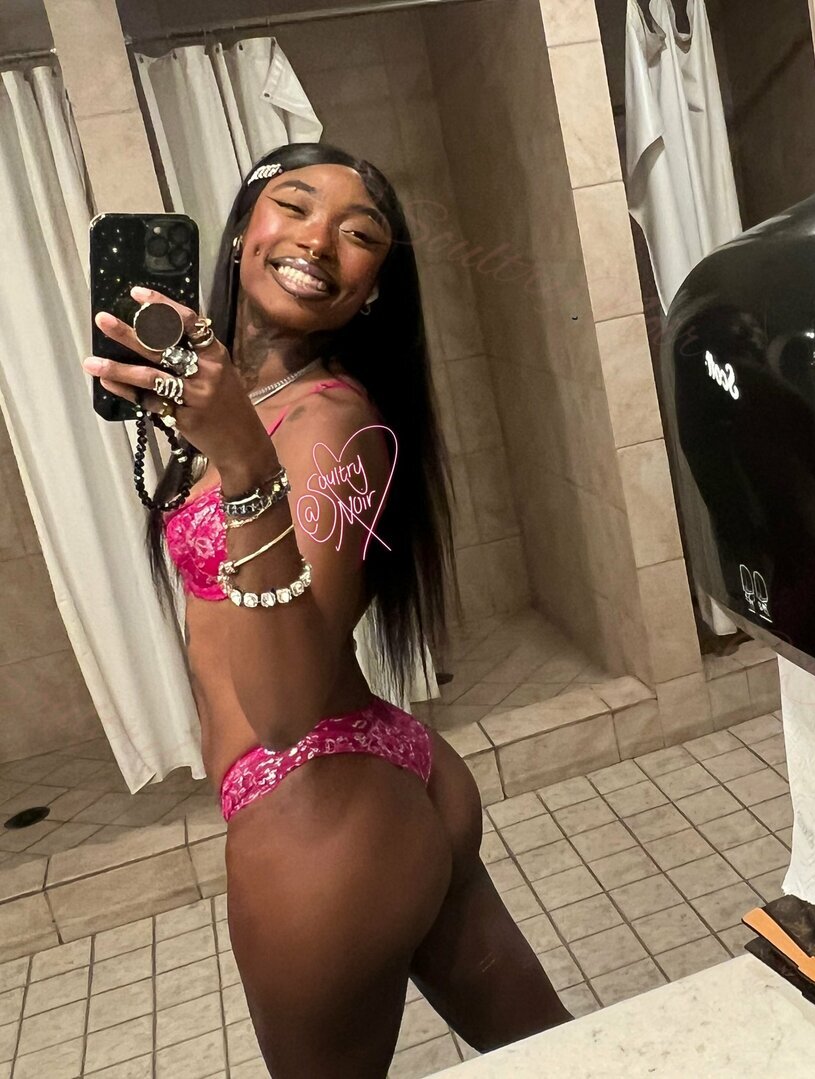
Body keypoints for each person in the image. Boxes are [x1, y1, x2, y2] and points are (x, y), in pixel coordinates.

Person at [82, 142, 573, 1077]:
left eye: (360, 234)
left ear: (373, 288)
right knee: (559, 1053)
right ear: (242, 234)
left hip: (314, 816)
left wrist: (243, 462)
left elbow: (283, 712)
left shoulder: (331, 424)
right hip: (383, 776)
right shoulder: (248, 395)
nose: (318, 240)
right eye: (296, 206)